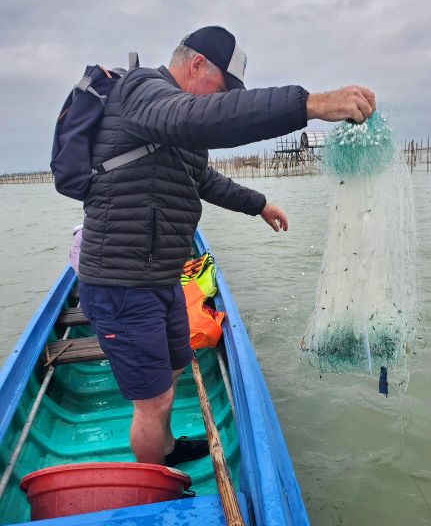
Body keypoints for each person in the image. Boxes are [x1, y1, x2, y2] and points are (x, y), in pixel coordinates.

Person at [78, 26, 375, 467]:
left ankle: (166, 448)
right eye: (221, 90)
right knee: (153, 401)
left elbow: (203, 180)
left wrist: (259, 205)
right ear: (196, 64)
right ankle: (154, 483)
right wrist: (310, 104)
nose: (217, 101)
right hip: (120, 282)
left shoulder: (174, 127)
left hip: (161, 277)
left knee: (175, 366)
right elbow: (207, 118)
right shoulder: (143, 90)